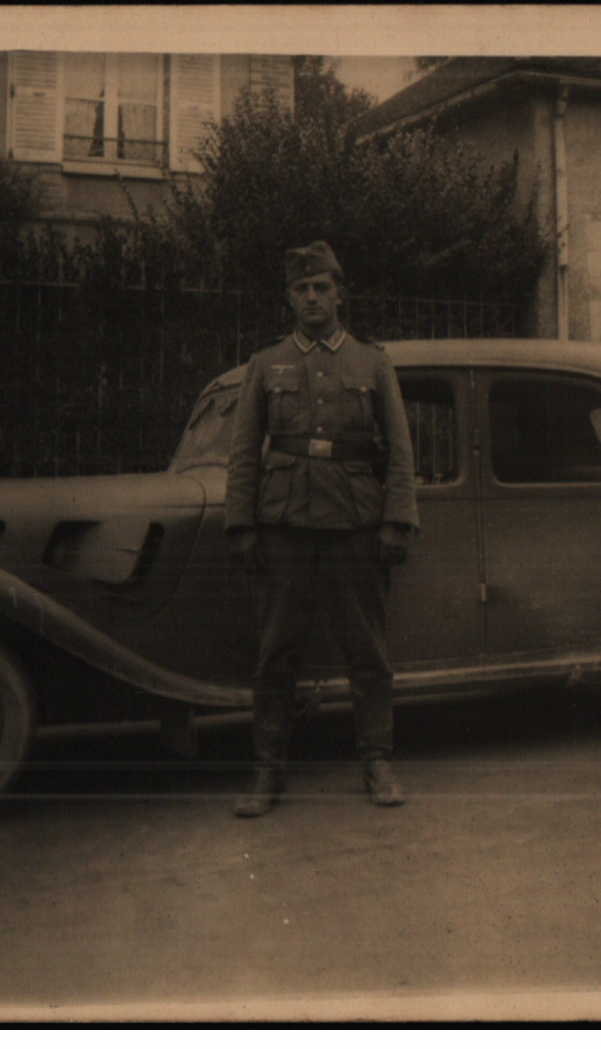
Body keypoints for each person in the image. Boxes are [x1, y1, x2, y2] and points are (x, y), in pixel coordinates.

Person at [225, 241, 419, 817]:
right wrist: (241, 525)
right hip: (283, 525)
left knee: (367, 650)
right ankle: (267, 772)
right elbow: (242, 454)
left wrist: (396, 521)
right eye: (301, 289)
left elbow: (402, 452)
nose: (311, 297)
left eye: (321, 288)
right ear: (289, 298)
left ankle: (378, 762)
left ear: (340, 295)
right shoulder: (266, 364)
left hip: (355, 527)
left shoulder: (372, 362)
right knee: (275, 652)